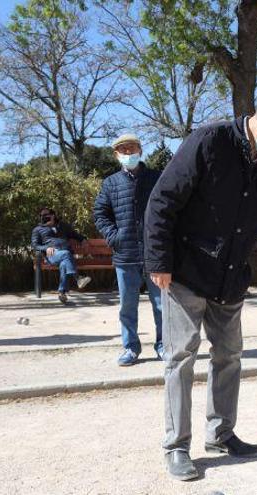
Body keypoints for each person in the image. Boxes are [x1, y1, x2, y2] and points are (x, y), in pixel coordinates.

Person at [145, 89, 257, 481]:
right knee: (180, 357)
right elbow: (162, 201)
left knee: (230, 356)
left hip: (231, 278)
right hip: (185, 271)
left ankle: (220, 433)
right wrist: (158, 262)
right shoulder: (208, 141)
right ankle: (176, 446)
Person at [94, 134, 164, 366]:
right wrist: (115, 237)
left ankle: (164, 345)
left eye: (131, 148)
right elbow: (100, 214)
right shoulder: (110, 183)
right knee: (127, 306)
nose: (128, 153)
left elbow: (169, 208)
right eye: (122, 150)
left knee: (162, 305)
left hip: (154, 254)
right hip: (125, 255)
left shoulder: (157, 178)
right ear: (116, 155)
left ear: (140, 151)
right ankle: (130, 348)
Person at [31, 208, 92, 304]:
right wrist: (46, 248)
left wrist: (83, 239)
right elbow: (34, 245)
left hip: (65, 255)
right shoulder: (38, 229)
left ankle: (62, 293)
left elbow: (74, 234)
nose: (43, 217)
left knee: (64, 264)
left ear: (53, 215)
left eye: (46, 215)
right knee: (66, 254)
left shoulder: (63, 226)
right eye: (41, 216)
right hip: (52, 255)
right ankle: (78, 278)